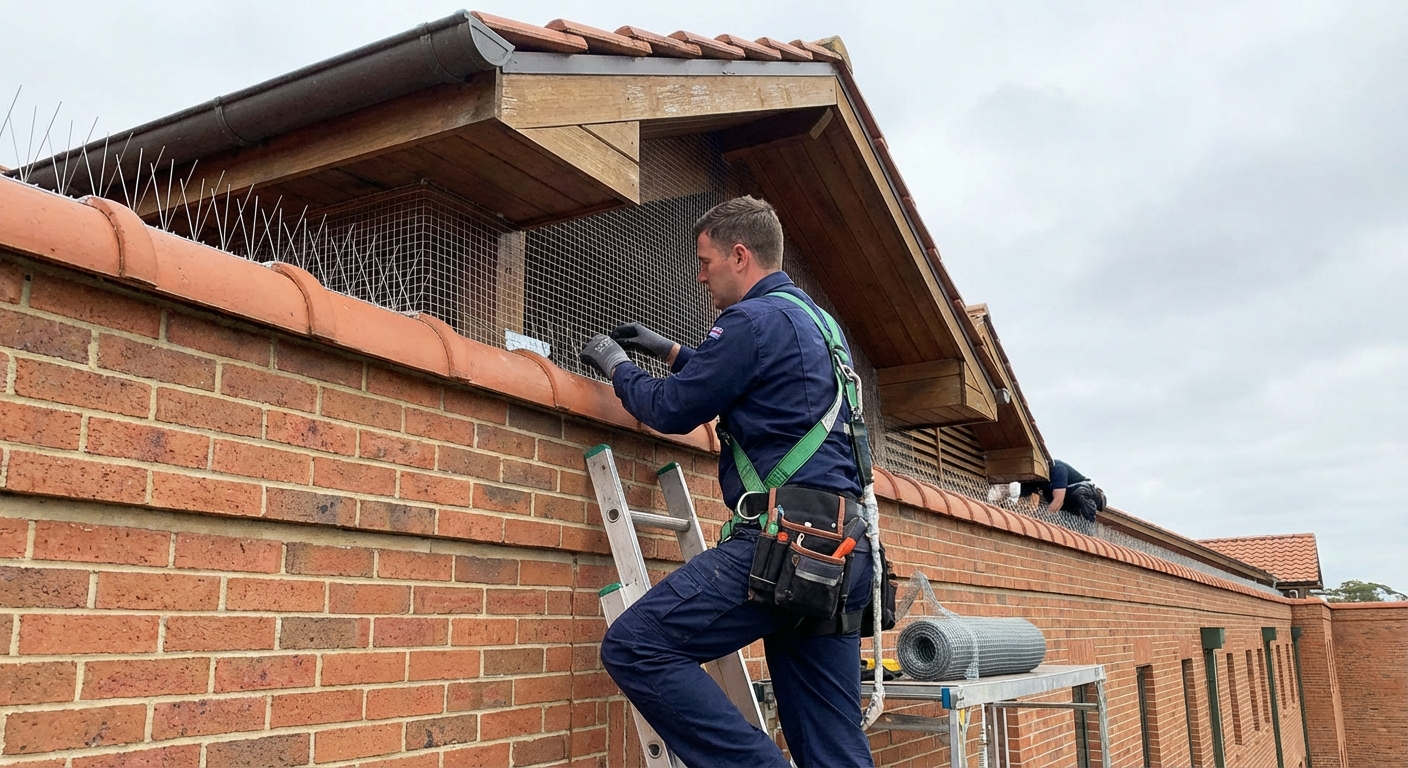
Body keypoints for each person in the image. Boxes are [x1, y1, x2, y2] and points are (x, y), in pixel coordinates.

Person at [578, 196, 875, 768]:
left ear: (740, 256)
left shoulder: (751, 320)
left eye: (705, 261)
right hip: (843, 550)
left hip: (785, 543)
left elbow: (670, 409)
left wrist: (618, 366)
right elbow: (752, 379)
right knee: (832, 747)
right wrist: (669, 350)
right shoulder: (817, 323)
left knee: (637, 646)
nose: (699, 276)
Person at [1020, 459, 1102, 524]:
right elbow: (1022, 501)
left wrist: (1043, 520)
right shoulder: (1031, 477)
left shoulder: (1057, 468)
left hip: (1088, 491)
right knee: (1048, 498)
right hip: (1067, 501)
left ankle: (1088, 526)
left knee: (1079, 492)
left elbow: (1058, 501)